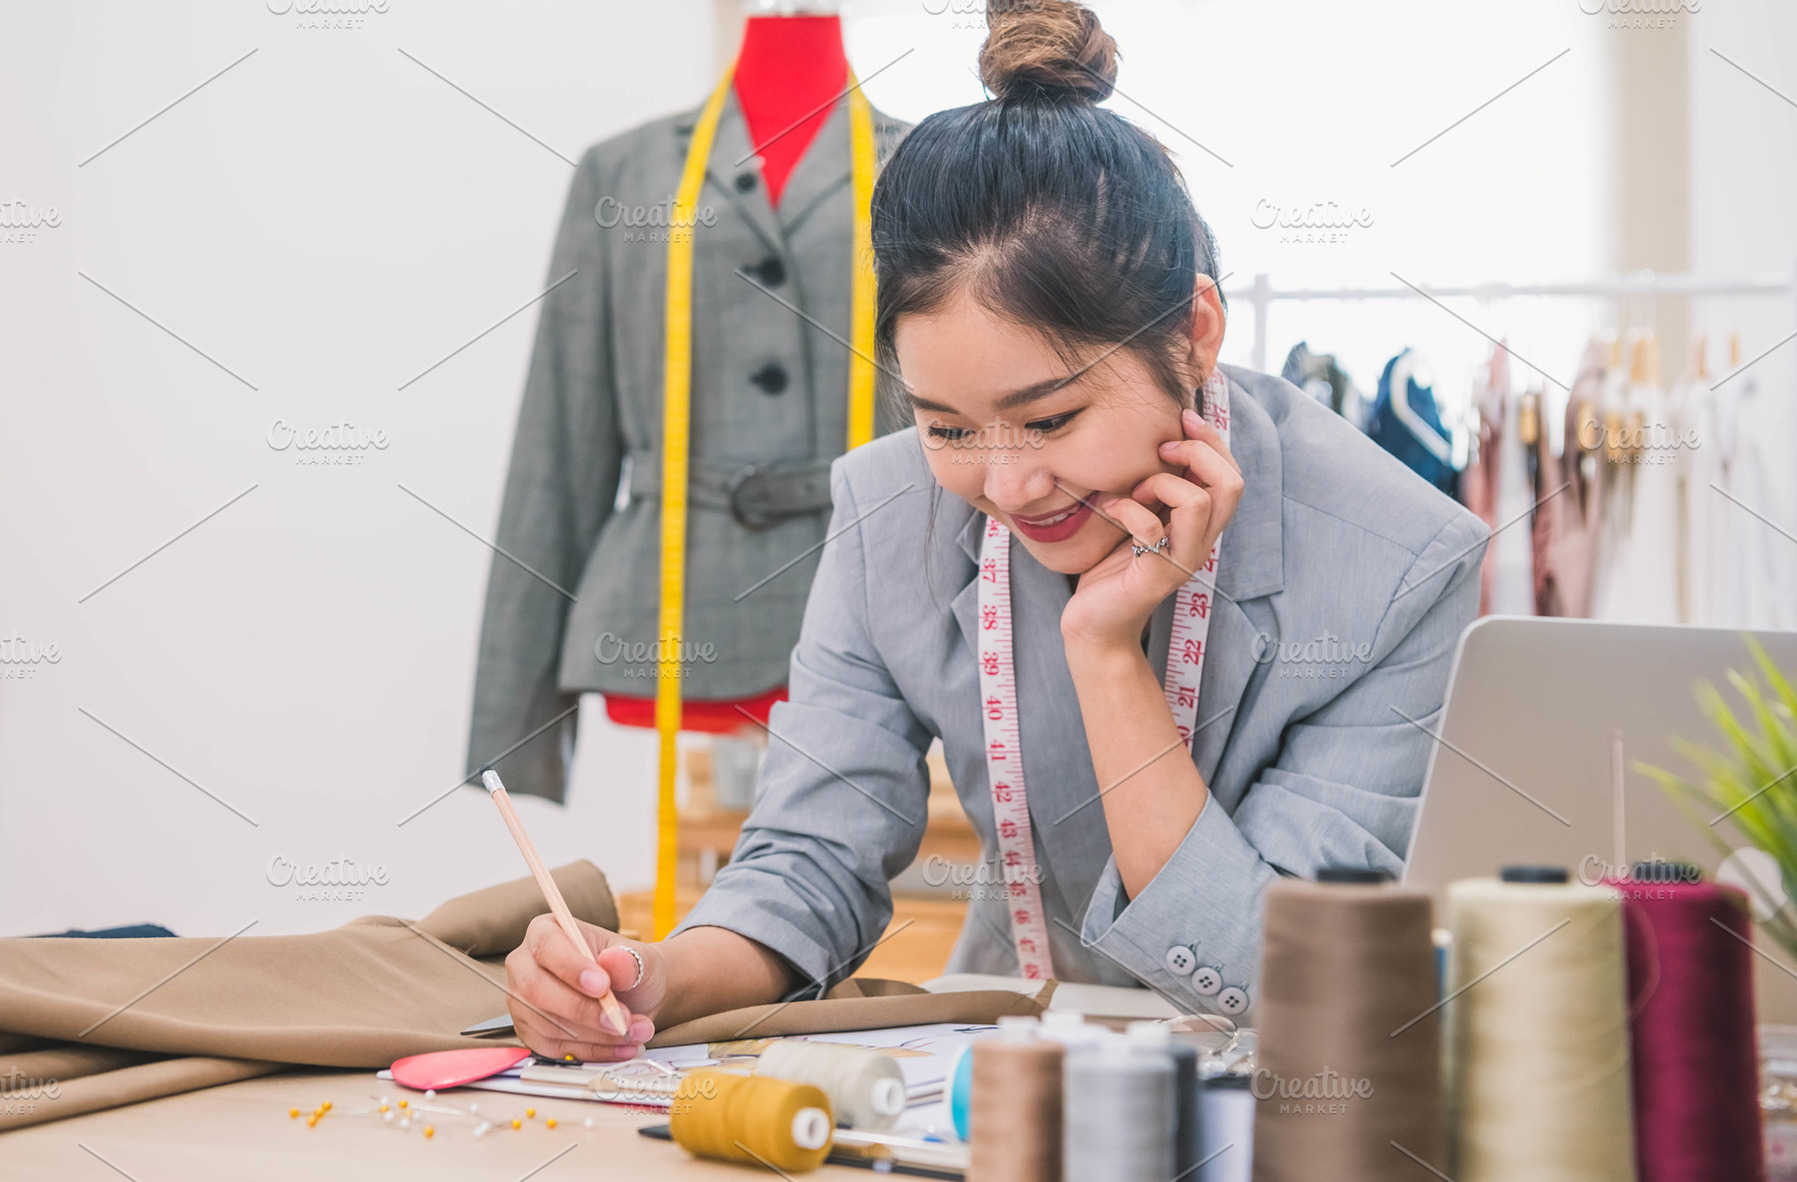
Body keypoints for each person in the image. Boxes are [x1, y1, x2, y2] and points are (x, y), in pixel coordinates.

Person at [503, 0, 1490, 1062]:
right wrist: (655, 974)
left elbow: (1283, 980)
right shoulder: (889, 513)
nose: (1010, 485)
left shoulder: (1400, 564)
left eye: (1052, 417)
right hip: (1004, 1051)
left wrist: (1105, 656)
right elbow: (807, 860)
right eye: (946, 426)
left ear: (1195, 331)